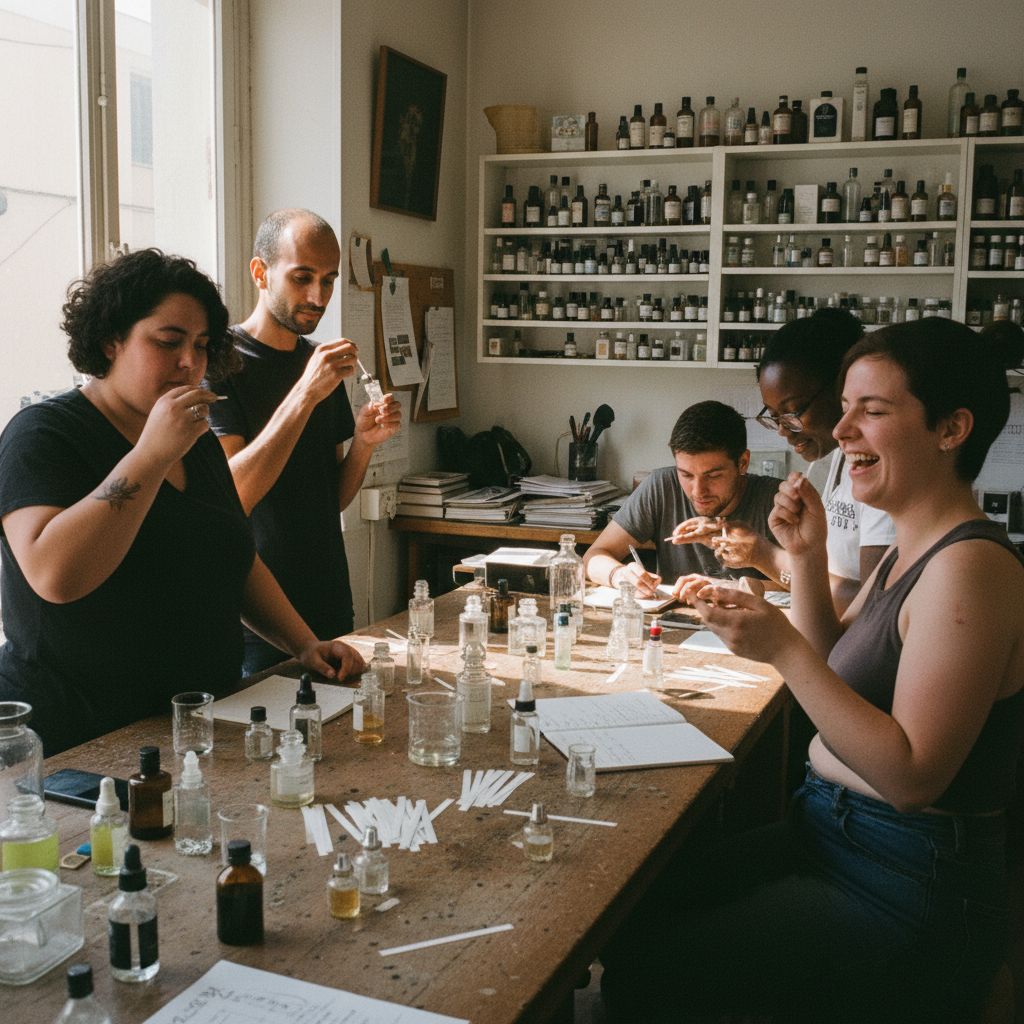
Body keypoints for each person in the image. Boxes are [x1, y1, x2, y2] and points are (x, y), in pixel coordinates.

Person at [600, 317, 1024, 1023]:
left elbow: (912, 776)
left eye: (873, 411)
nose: (842, 431)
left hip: (905, 878)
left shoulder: (970, 569)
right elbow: (836, 661)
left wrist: (780, 646)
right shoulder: (908, 552)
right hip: (831, 833)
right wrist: (800, 554)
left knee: (650, 971)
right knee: (633, 908)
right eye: (846, 407)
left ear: (951, 428)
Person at [0, 250, 364, 756]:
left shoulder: (197, 440)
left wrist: (303, 643)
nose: (190, 362)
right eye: (168, 342)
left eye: (201, 346)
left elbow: (232, 555)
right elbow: (53, 574)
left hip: (200, 721)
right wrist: (151, 455)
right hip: (80, 739)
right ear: (111, 339)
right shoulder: (43, 434)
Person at [208, 209, 402, 674]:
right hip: (258, 621)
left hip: (331, 604)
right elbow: (233, 495)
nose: (318, 297)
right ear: (260, 272)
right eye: (302, 277)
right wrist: (304, 393)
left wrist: (364, 443)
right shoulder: (220, 366)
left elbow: (328, 498)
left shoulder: (320, 364)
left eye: (329, 280)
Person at [719, 307, 896, 614]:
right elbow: (817, 582)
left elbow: (875, 611)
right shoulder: (835, 461)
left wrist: (765, 555)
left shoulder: (882, 475)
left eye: (794, 411)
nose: (784, 431)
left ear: (843, 387)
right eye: (774, 416)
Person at [583, 400, 783, 599]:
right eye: (686, 475)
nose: (698, 491)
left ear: (742, 463)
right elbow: (592, 557)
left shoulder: (776, 501)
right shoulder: (661, 486)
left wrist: (728, 587)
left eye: (713, 476)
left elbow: (808, 584)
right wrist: (619, 574)